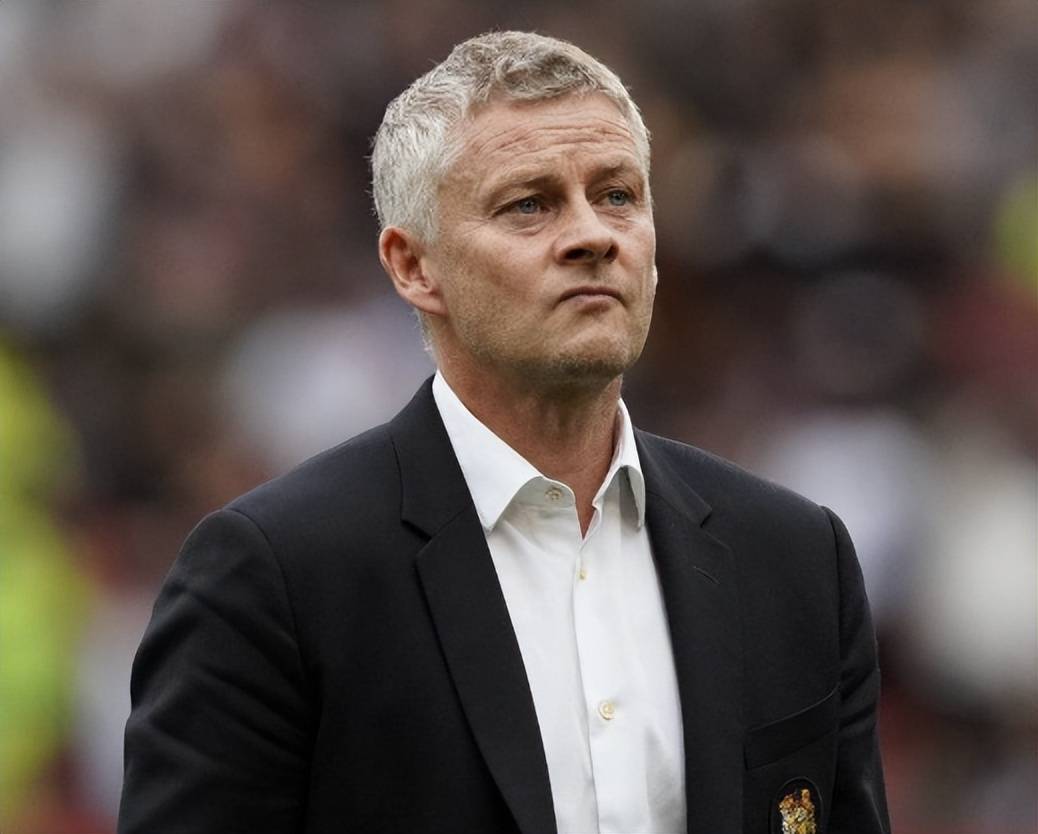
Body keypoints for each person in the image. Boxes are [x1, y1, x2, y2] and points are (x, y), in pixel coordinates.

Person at [119, 31, 890, 834]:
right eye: (529, 204)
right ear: (414, 266)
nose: (593, 235)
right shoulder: (274, 578)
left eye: (618, 195)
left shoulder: (796, 559)